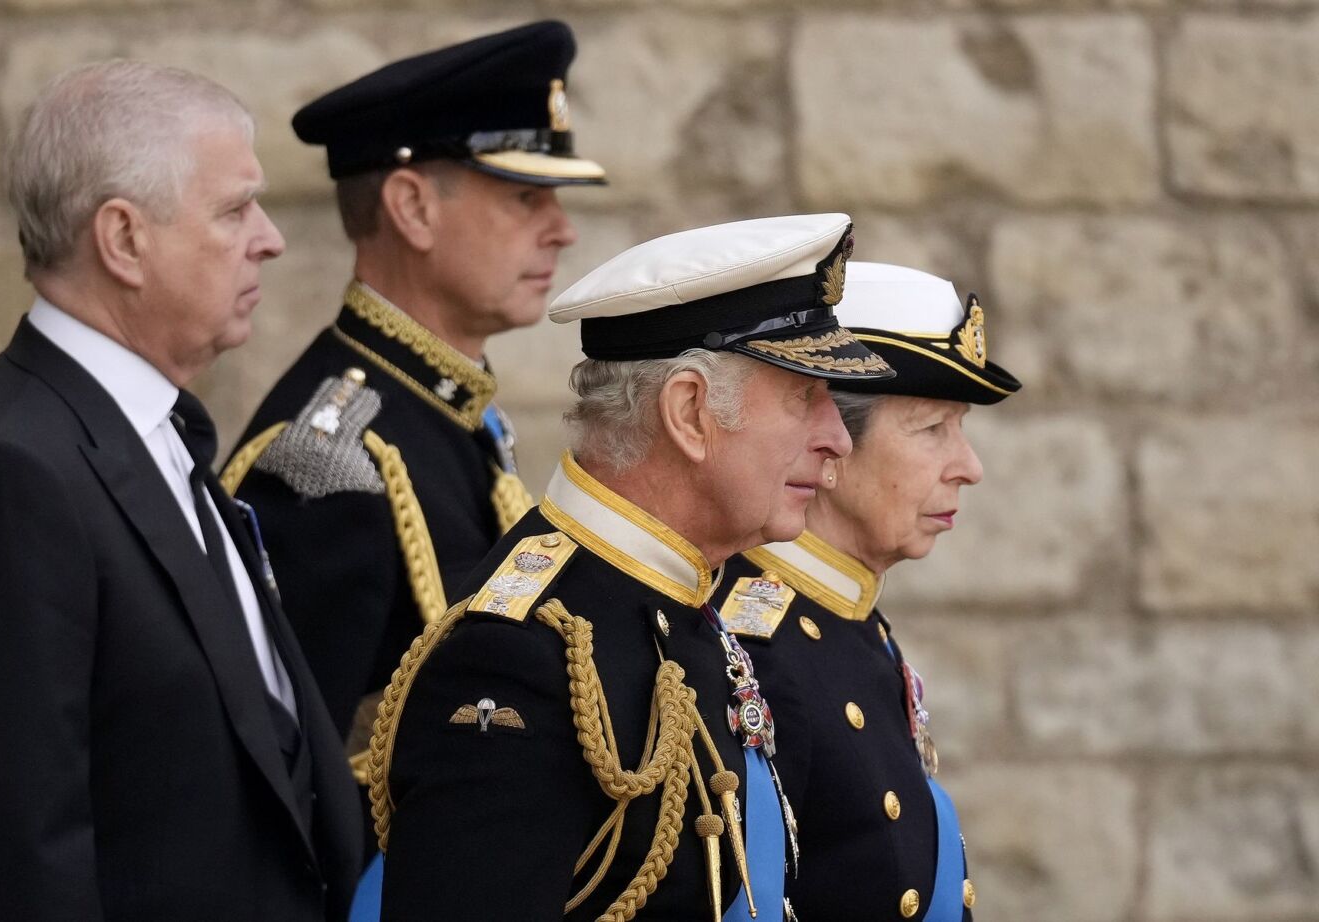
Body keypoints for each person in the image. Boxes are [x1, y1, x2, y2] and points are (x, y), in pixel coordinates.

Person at [0, 60, 362, 921]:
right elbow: (15, 865)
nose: (270, 238)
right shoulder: (10, 472)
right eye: (232, 209)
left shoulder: (145, 425)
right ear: (124, 240)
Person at [360, 214, 894, 921]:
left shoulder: (679, 601)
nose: (835, 441)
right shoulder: (523, 655)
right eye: (805, 398)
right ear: (690, 412)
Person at [219, 20, 606, 757]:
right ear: (412, 207)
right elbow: (299, 780)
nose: (562, 231)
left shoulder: (450, 416)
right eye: (526, 199)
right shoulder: (328, 464)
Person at [717, 261, 1022, 921]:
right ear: (830, 442)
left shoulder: (851, 619)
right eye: (931, 428)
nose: (968, 467)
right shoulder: (750, 648)